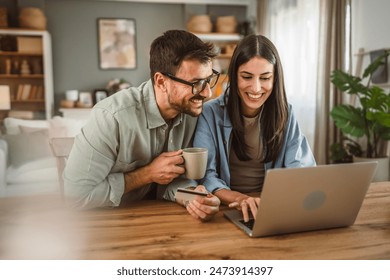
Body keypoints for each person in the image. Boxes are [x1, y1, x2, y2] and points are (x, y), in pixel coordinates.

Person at [64, 30, 220, 221]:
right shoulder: (111, 117)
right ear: (161, 81)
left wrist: (195, 198)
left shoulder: (192, 113)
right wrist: (147, 174)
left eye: (209, 80)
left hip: (163, 222)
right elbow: (75, 196)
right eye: (196, 83)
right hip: (105, 224)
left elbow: (173, 182)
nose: (207, 93)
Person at [193, 34, 316, 222]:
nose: (256, 88)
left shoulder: (286, 113)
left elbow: (298, 170)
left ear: (275, 79)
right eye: (247, 77)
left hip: (270, 206)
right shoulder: (210, 113)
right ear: (234, 76)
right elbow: (206, 176)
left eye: (265, 78)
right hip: (227, 205)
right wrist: (241, 198)